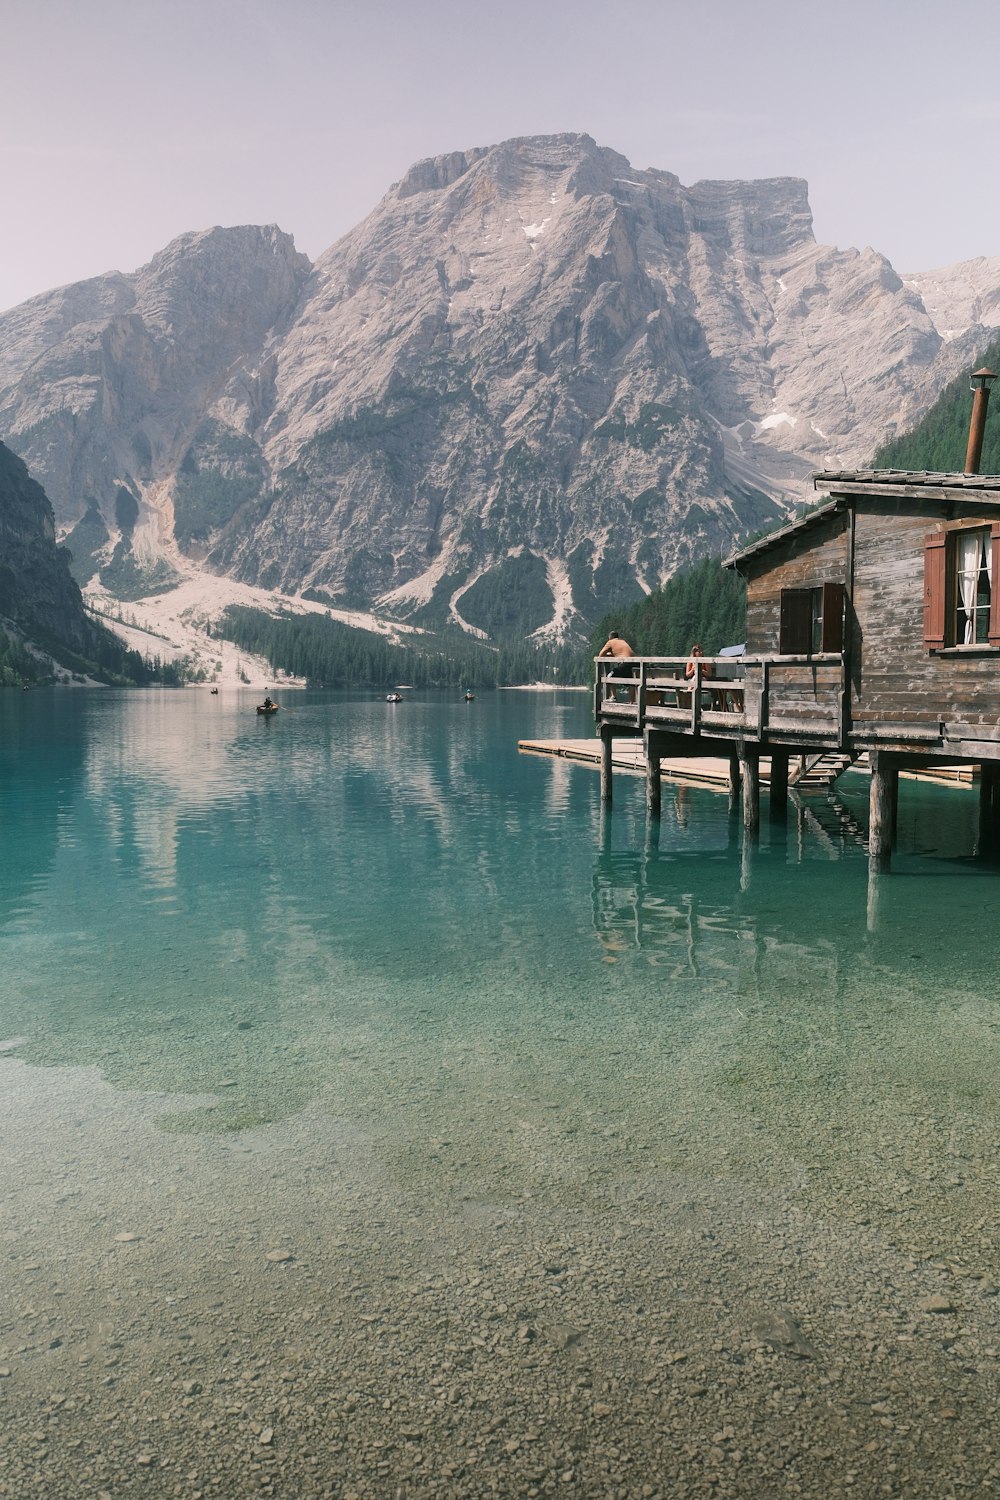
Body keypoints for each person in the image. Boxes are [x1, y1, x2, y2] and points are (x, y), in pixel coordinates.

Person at [597, 631, 637, 703]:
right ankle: (632, 702)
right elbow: (621, 652)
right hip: (634, 662)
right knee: (631, 683)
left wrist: (608, 652)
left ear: (610, 637)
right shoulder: (622, 641)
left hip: (625, 662)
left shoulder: (610, 642)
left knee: (610, 676)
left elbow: (601, 654)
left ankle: (614, 697)